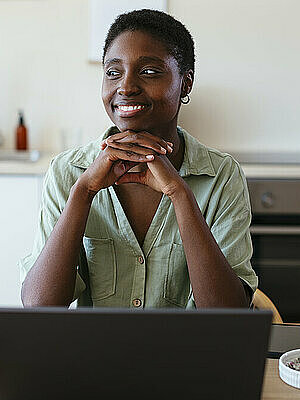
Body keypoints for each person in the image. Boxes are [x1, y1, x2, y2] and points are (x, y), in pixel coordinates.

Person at [19, 9, 257, 309]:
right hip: (94, 354)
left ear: (185, 84)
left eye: (149, 72)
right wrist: (83, 193)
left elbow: (228, 314)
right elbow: (39, 306)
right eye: (113, 72)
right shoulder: (69, 173)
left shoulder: (221, 176)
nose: (126, 86)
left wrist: (180, 194)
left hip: (186, 355)